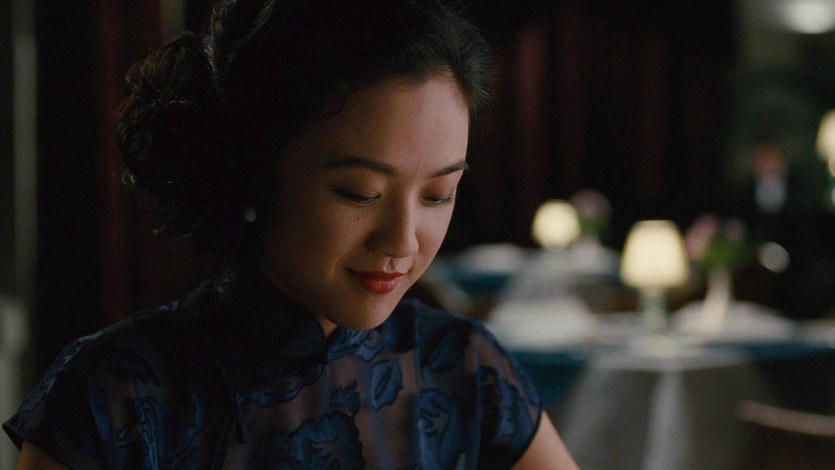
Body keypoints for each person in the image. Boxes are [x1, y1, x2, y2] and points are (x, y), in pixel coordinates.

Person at [5, 0, 578, 468]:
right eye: (360, 192)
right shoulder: (115, 400)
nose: (403, 241)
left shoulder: (466, 371)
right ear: (254, 171)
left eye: (438, 194)